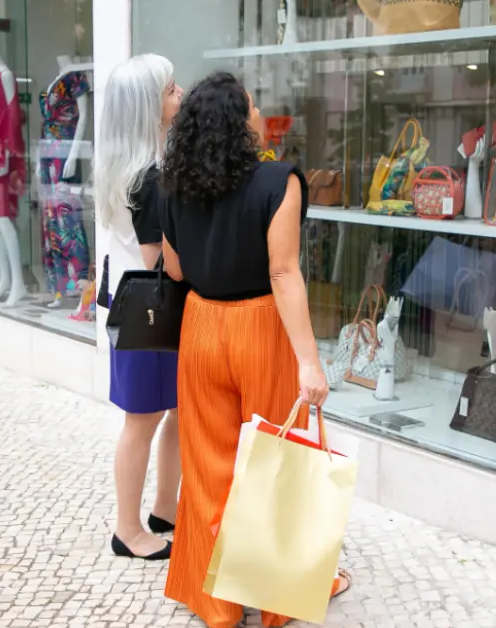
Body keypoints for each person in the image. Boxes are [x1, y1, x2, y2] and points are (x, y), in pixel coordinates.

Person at [156, 71, 350, 627]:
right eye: (253, 103)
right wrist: (310, 361)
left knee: (209, 462)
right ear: (242, 121)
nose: (260, 110)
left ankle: (217, 605)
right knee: (276, 458)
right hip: (261, 325)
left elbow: (175, 268)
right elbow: (284, 271)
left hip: (201, 324)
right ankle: (274, 600)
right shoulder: (278, 181)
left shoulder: (171, 184)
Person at [93, 53, 182, 561]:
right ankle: (129, 528)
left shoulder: (124, 166)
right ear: (149, 105)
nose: (180, 94)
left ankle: (164, 509)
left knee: (171, 411)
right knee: (143, 420)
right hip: (150, 312)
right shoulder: (147, 177)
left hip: (134, 310)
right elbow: (161, 261)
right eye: (171, 89)